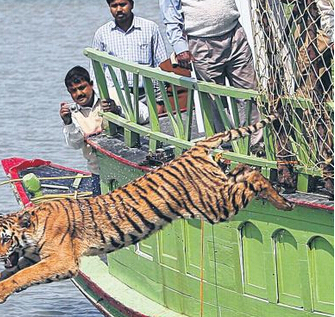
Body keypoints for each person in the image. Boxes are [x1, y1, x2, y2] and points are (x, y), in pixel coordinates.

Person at [159, 0, 263, 147]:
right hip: (202, 41)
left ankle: (257, 145)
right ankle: (227, 149)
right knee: (215, 100)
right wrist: (180, 47)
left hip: (234, 33)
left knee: (249, 93)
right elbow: (170, 14)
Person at [60, 66, 149, 196]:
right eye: (73, 91)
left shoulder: (112, 94)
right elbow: (75, 144)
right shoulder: (72, 113)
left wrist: (118, 111)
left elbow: (145, 114)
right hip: (99, 174)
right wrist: (68, 122)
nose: (79, 94)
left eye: (82, 87)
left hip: (131, 166)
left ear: (91, 84)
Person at [91, 0, 169, 105]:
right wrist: (102, 98)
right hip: (116, 96)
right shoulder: (102, 33)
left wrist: (159, 100)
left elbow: (161, 65)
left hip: (146, 94)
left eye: (123, 4)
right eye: (114, 6)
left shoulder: (150, 28)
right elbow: (95, 71)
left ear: (132, 4)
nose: (119, 9)